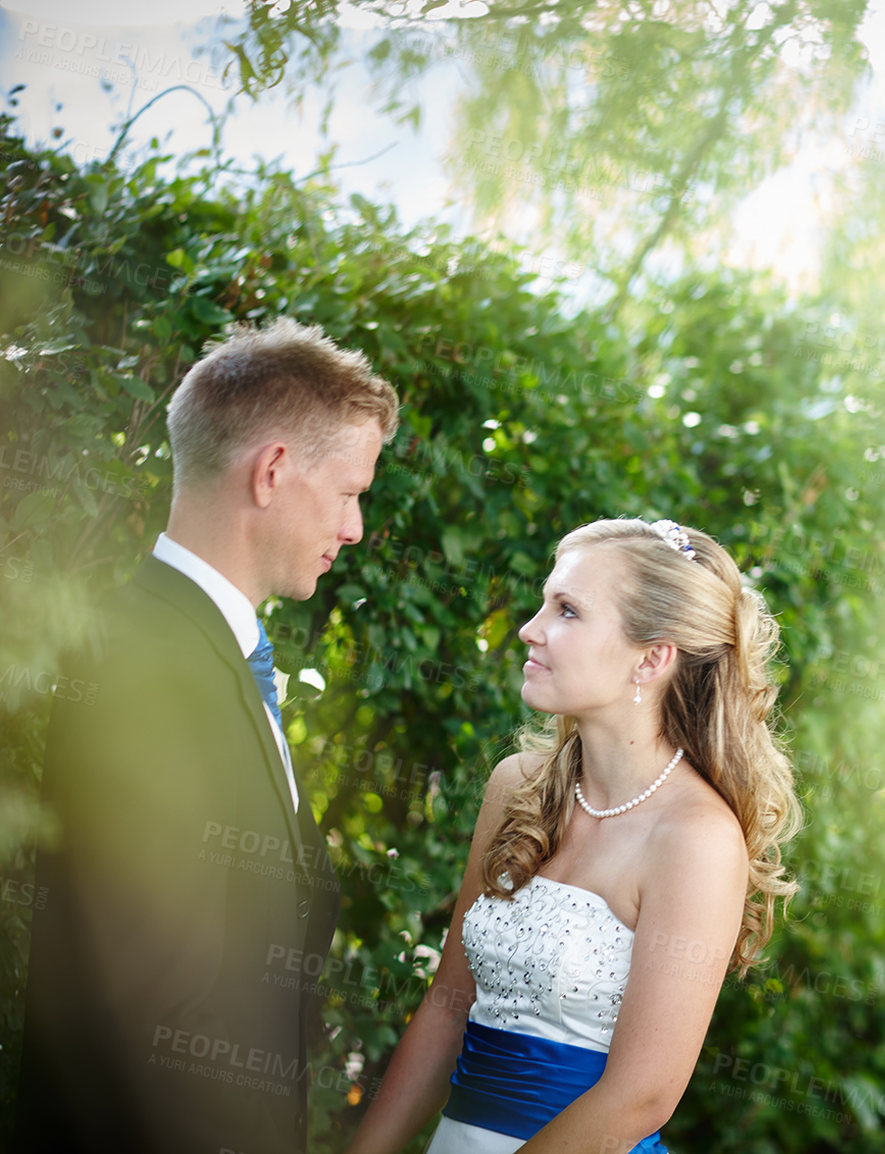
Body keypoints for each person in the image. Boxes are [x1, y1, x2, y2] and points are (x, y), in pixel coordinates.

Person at [14, 317, 400, 1154]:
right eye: (349, 493)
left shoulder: (210, 650)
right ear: (272, 472)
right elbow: (152, 1000)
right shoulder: (145, 660)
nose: (355, 528)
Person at [344, 517, 801, 1154]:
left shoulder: (695, 840)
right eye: (544, 602)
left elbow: (642, 1093)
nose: (531, 629)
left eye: (567, 610)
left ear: (652, 657)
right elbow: (450, 1003)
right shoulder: (517, 786)